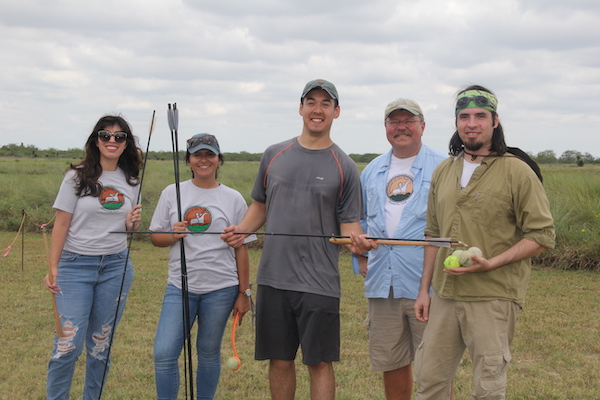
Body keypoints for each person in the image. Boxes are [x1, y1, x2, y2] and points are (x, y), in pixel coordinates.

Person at [221, 79, 367, 400]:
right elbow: (260, 205)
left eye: (325, 104)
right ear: (301, 108)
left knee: (319, 362)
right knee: (279, 359)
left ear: (336, 112)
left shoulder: (345, 167)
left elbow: (350, 226)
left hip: (319, 283)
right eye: (311, 102)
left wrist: (360, 243)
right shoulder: (274, 154)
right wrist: (241, 231)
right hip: (273, 279)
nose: (317, 109)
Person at [413, 85, 556, 399]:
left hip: (493, 296)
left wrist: (491, 263)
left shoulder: (517, 172)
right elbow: (433, 236)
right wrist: (425, 290)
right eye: (464, 116)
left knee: (488, 388)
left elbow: (542, 235)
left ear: (495, 121)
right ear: (456, 122)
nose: (471, 123)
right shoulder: (443, 171)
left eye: (480, 115)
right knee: (429, 381)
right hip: (445, 295)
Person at [44, 115, 144, 400]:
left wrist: (132, 223)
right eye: (105, 135)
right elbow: (61, 223)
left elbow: (130, 228)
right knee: (68, 345)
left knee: (101, 346)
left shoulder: (132, 181)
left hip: (115, 267)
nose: (112, 141)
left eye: (119, 137)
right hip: (75, 266)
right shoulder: (76, 176)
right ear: (95, 141)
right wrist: (53, 267)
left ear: (126, 144)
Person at [352, 98, 446, 400]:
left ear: (422, 125)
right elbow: (361, 220)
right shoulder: (372, 170)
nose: (401, 127)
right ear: (386, 127)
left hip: (428, 283)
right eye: (394, 121)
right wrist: (361, 254)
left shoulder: (444, 167)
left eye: (409, 120)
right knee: (391, 362)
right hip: (383, 283)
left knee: (434, 368)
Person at [150, 133, 253, 400]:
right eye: (197, 155)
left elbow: (241, 249)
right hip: (179, 287)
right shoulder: (172, 192)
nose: (204, 160)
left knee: (208, 352)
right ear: (188, 160)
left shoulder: (233, 198)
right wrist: (173, 235)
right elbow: (154, 237)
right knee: (163, 353)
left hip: (221, 288)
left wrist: (244, 293)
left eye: (210, 154)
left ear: (219, 160)